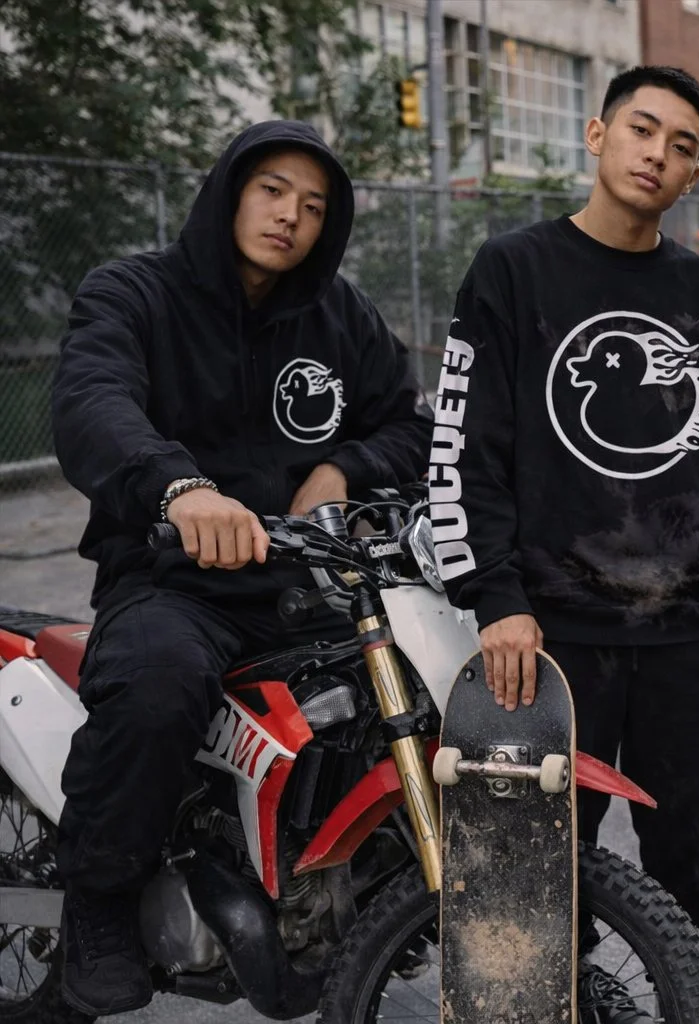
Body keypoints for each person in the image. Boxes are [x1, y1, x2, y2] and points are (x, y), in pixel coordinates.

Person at [51, 121, 432, 1015]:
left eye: (314, 206)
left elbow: (409, 423)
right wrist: (180, 489)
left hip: (305, 585)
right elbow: (91, 400)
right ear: (228, 191)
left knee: (406, 694)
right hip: (173, 583)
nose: (290, 216)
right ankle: (98, 902)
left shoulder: (340, 315)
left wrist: (345, 468)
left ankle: (350, 892)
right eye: (272, 190)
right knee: (157, 685)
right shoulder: (133, 293)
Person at [432, 66, 699, 954]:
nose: (657, 154)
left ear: (693, 174)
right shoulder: (513, 270)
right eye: (641, 129)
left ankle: (677, 1007)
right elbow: (466, 449)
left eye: (682, 146)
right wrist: (496, 596)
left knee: (684, 891)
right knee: (535, 887)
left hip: (695, 644)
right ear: (598, 135)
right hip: (550, 641)